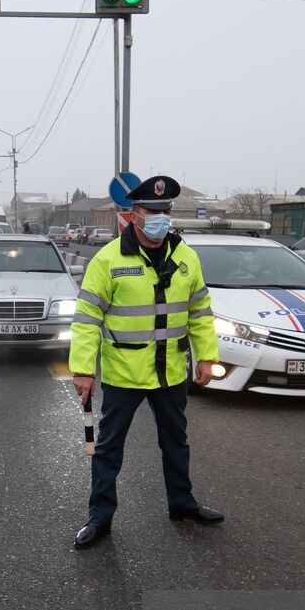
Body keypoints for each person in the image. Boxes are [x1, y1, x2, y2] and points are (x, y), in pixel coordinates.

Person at [69, 174, 223, 549]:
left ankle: (181, 504)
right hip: (124, 373)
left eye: (165, 210)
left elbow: (200, 311)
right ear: (134, 214)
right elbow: (88, 319)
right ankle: (100, 518)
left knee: (176, 442)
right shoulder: (108, 260)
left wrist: (206, 357)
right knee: (108, 449)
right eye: (152, 210)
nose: (160, 216)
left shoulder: (186, 256)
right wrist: (83, 369)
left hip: (170, 371)